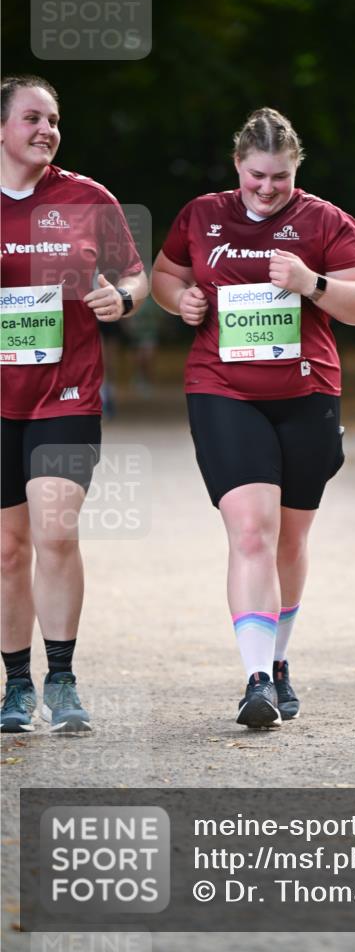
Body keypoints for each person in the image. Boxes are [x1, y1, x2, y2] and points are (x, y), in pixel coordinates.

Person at [152, 107, 355, 728]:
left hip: (307, 392)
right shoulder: (202, 214)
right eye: (256, 176)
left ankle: (279, 662)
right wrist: (182, 299)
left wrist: (313, 283)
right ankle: (255, 678)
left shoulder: (325, 221)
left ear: (295, 170)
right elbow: (166, 274)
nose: (266, 189)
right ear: (237, 166)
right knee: (251, 529)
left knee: (289, 536)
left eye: (279, 178)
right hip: (222, 387)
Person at [1, 75, 148, 733]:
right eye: (32, 117)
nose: (46, 130)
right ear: (2, 128)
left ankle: (61, 679)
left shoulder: (87, 198)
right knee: (7, 548)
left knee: (55, 529)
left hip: (67, 388)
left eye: (54, 119)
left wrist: (124, 298)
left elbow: (135, 275)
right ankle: (14, 687)